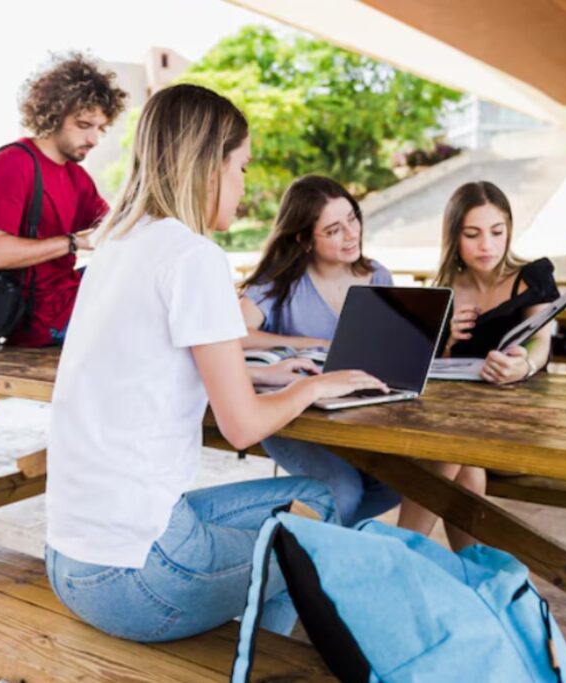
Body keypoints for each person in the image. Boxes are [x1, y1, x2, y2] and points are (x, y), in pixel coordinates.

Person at [44, 84, 388, 643]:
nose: (243, 186)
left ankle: (258, 650)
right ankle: (263, 660)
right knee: (315, 521)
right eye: (243, 168)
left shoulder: (117, 244)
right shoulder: (193, 255)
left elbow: (148, 364)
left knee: (316, 500)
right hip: (138, 579)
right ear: (210, 167)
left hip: (69, 560)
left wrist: (265, 372)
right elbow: (243, 425)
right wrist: (315, 385)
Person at [397, 180, 559, 549]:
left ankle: (399, 551)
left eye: (497, 232)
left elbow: (543, 339)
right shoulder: (445, 288)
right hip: (463, 423)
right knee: (460, 457)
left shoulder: (531, 277)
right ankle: (475, 571)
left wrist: (526, 366)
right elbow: (435, 371)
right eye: (472, 234)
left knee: (450, 449)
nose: (487, 245)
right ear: (454, 236)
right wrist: (448, 340)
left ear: (509, 231)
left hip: (523, 421)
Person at [238, 176, 399, 526]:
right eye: (334, 229)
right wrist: (312, 344)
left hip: (357, 408)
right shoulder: (280, 283)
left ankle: (309, 534)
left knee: (399, 482)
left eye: (353, 219)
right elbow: (231, 335)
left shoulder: (377, 277)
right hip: (291, 414)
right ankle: (313, 552)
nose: (351, 233)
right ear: (303, 239)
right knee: (342, 490)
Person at [0, 53, 127, 346]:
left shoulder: (75, 177)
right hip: (38, 320)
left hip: (68, 302)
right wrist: (73, 242)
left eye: (100, 128)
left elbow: (116, 229)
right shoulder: (11, 164)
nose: (94, 139)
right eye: (83, 125)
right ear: (53, 115)